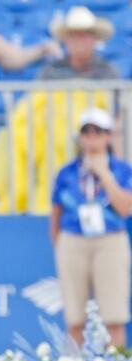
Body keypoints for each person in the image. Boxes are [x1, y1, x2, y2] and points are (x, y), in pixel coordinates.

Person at [50, 107, 132, 347]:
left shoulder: (122, 171)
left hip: (110, 239)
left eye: (97, 131)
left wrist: (104, 174)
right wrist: (60, 244)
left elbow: (125, 208)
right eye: (86, 131)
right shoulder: (66, 173)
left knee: (114, 316)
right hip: (73, 239)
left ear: (108, 136)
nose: (91, 137)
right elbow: (55, 213)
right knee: (75, 317)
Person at [39, 6, 120, 80]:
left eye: (85, 35)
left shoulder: (108, 73)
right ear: (66, 40)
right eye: (74, 36)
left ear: (95, 39)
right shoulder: (52, 73)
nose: (79, 42)